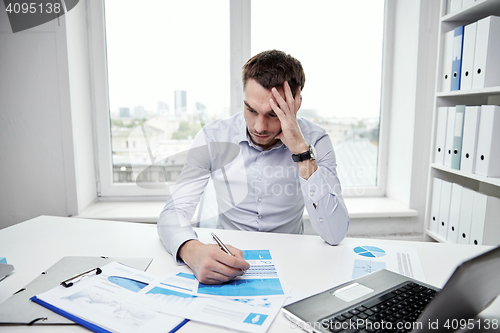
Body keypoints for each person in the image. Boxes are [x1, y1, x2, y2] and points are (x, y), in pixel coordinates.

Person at [157, 49, 349, 284]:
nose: (259, 126)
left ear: (296, 103)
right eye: (251, 110)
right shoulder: (213, 136)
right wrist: (191, 250)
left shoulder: (316, 140)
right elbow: (171, 213)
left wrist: (301, 151)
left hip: (291, 264)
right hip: (228, 258)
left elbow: (335, 232)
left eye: (273, 114)